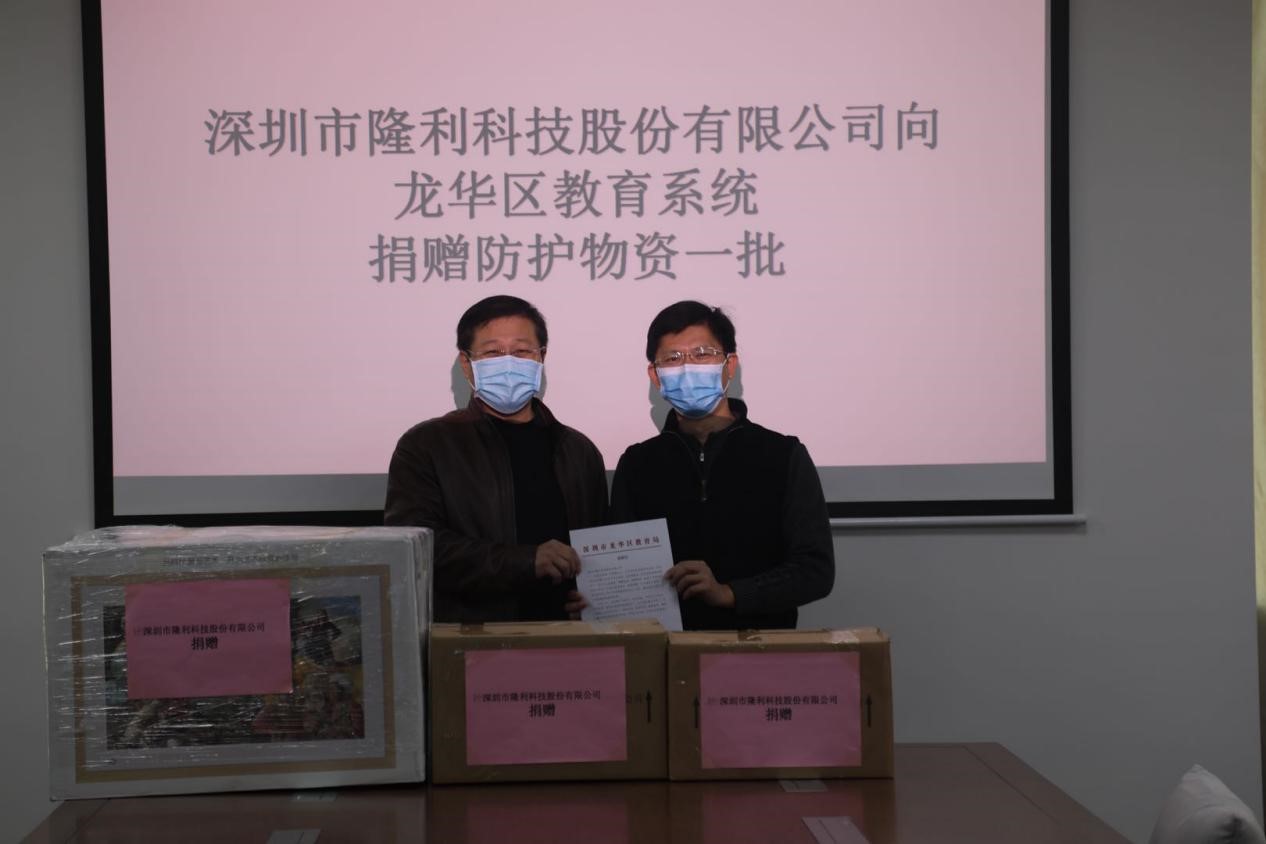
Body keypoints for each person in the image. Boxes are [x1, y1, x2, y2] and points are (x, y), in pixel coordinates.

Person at [610, 300, 834, 630]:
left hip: (762, 649)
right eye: (672, 359)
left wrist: (731, 593)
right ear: (655, 376)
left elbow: (815, 570)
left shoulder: (783, 454)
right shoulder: (637, 463)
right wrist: (599, 597)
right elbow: (620, 568)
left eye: (702, 354)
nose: (687, 367)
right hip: (664, 650)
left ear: (730, 365)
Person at [384, 295, 607, 623]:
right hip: (473, 638)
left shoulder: (578, 451)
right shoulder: (427, 445)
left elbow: (600, 548)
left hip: (568, 637)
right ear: (466, 364)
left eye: (522, 351)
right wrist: (526, 561)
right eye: (492, 353)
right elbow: (416, 548)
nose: (509, 362)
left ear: (541, 358)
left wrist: (596, 595)